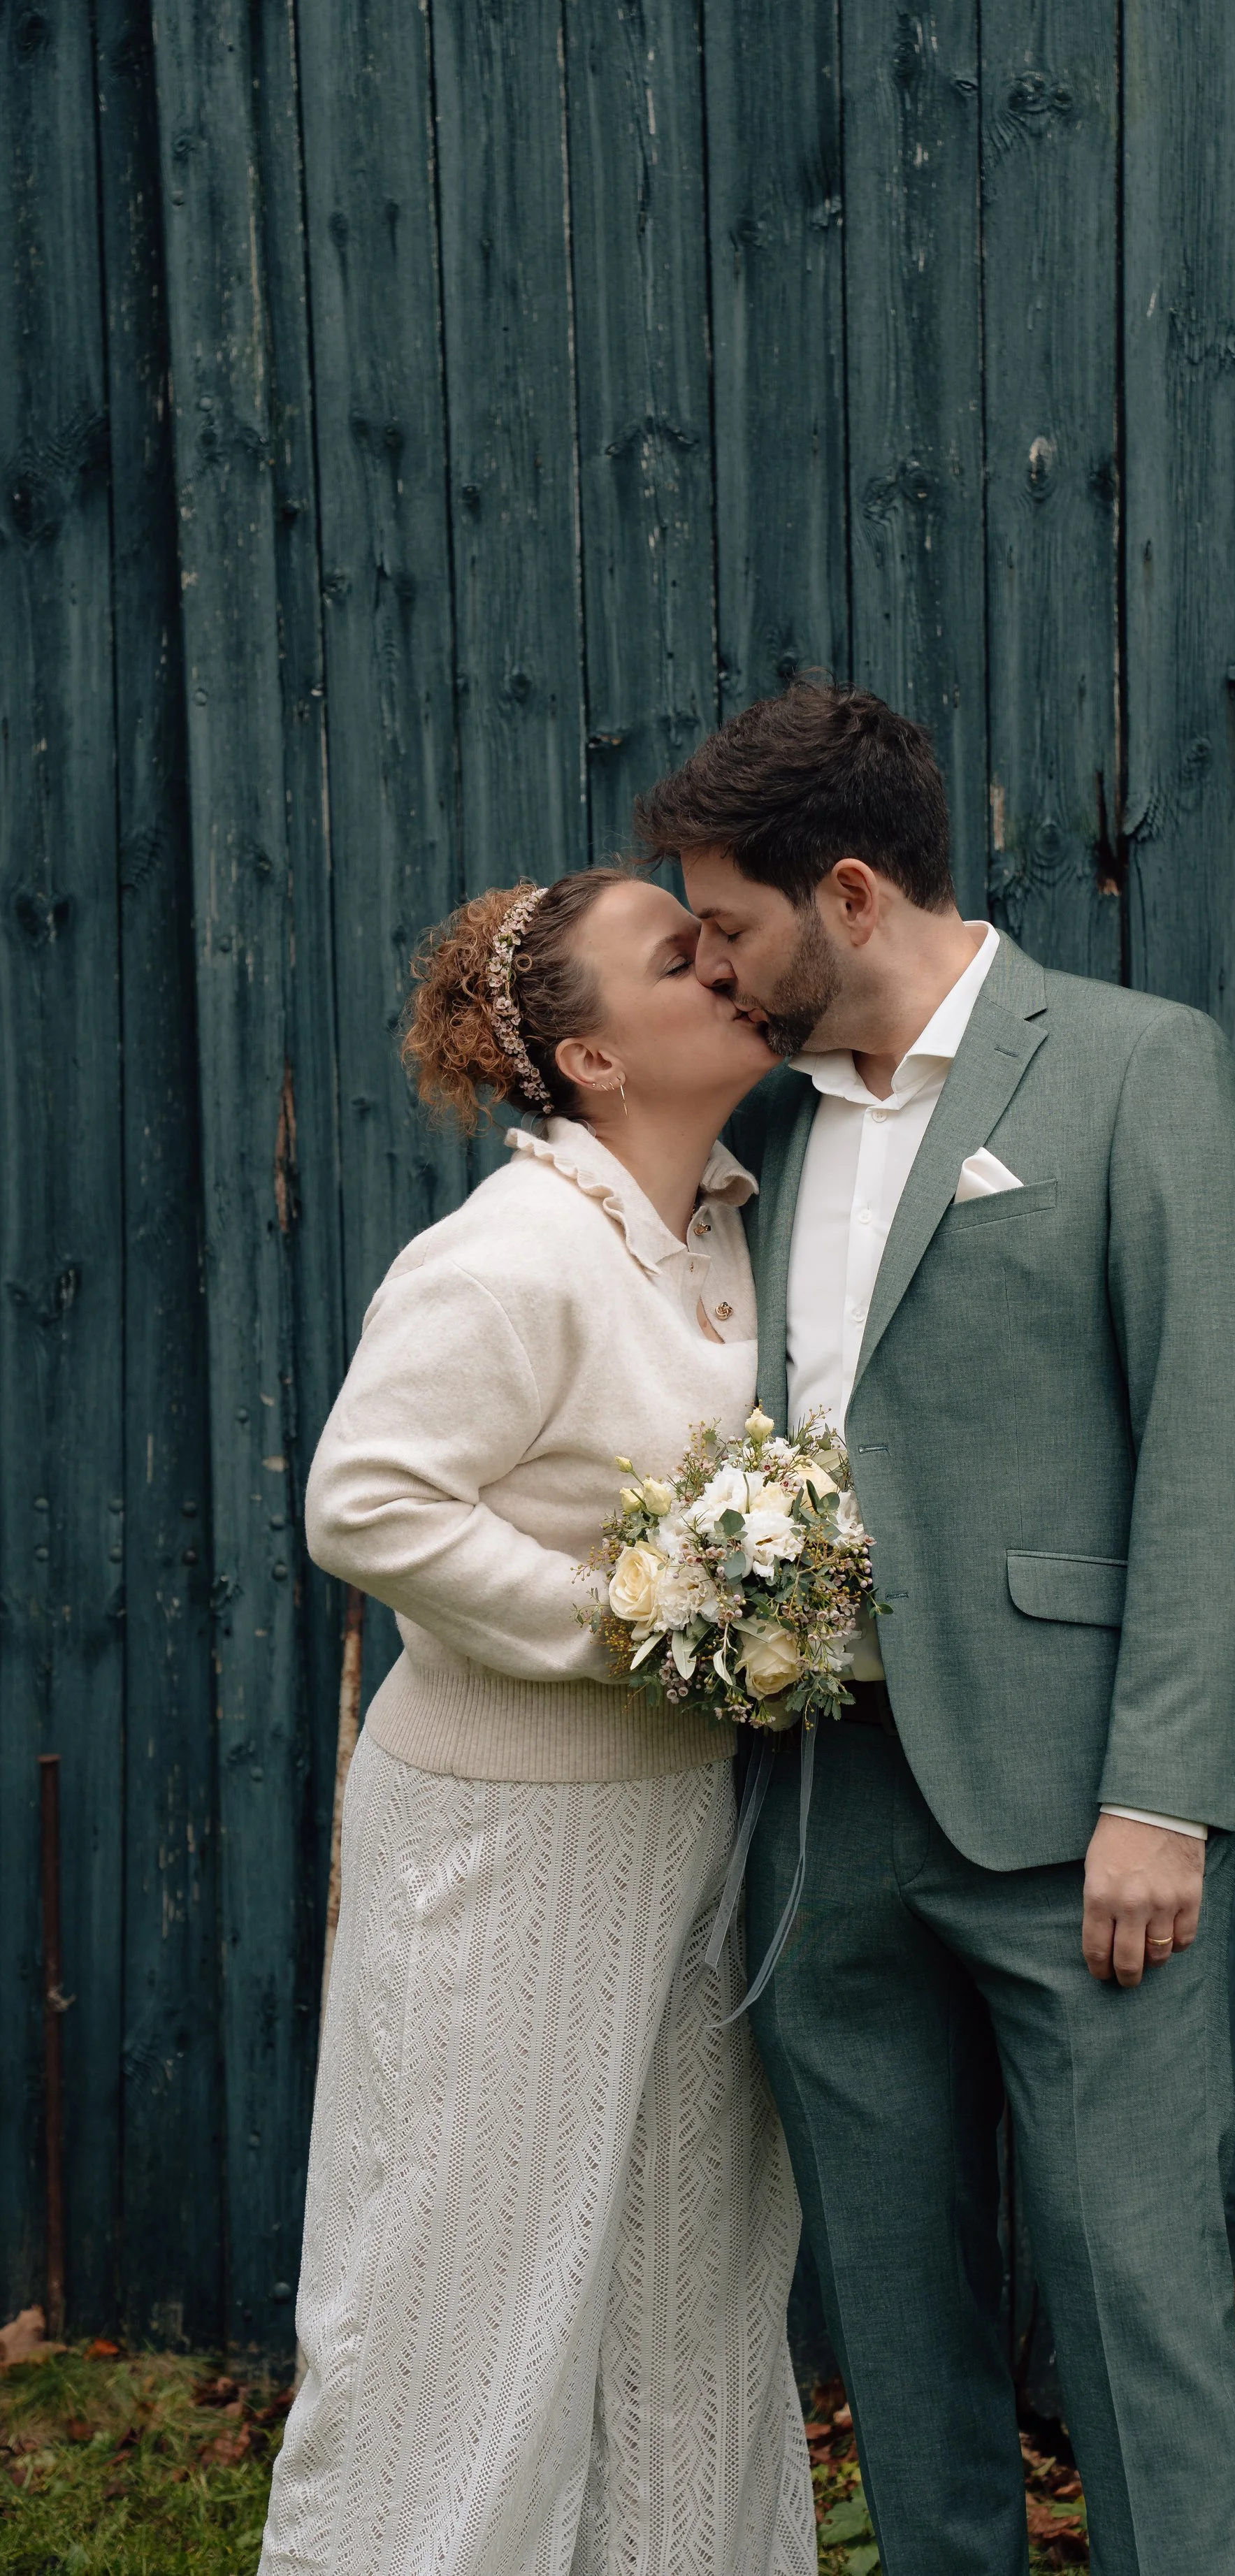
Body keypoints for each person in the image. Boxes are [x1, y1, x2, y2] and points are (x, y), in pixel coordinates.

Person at [637, 681, 1235, 2576]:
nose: (708, 966)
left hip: (1074, 1814)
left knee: (1130, 2304)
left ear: (847, 891)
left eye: (728, 925)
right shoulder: (754, 1122)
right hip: (820, 1812)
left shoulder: (1131, 1064)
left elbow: (1209, 1440)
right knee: (897, 2339)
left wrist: (1160, 1790)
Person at [259, 869, 814, 2576]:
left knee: (687, 2299)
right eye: (679, 954)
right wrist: (633, 1627)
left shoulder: (730, 1215)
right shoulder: (509, 1252)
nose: (726, 962)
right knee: (459, 2297)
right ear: (587, 1058)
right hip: (504, 1845)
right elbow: (365, 1506)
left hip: (691, 1833)